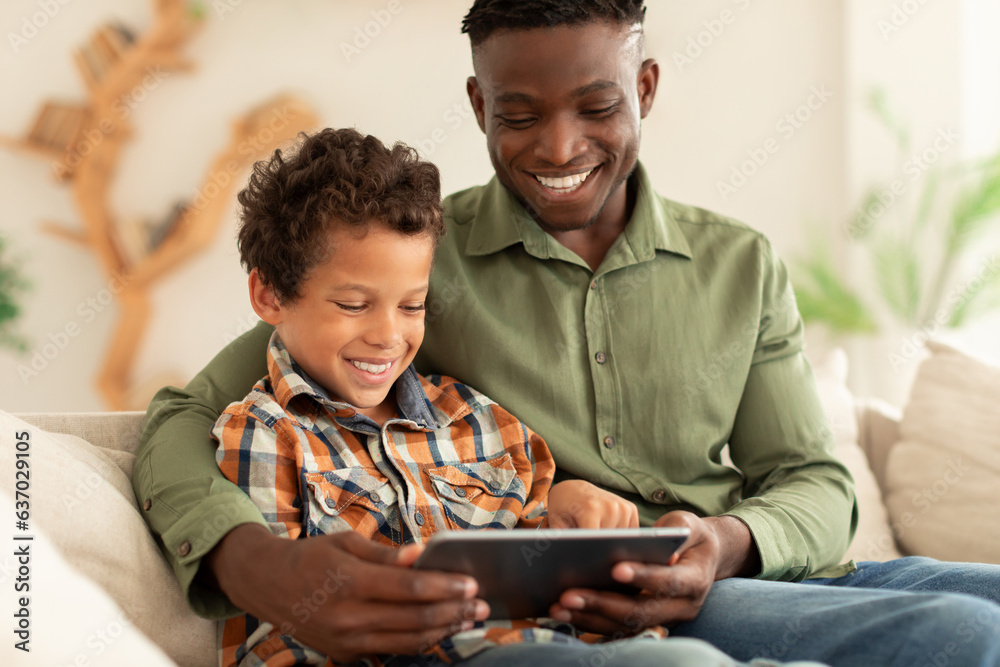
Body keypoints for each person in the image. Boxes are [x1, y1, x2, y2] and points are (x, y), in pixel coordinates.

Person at [134, 1, 1000, 665]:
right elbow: (185, 413)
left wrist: (725, 541)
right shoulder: (413, 261)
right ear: (478, 105)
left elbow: (812, 480)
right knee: (965, 637)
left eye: (596, 106)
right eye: (519, 114)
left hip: (754, 571)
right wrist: (250, 563)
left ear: (646, 89)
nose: (558, 147)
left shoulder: (740, 263)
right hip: (619, 613)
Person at [210, 127, 813, 667]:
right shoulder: (265, 434)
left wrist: (572, 512)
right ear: (269, 298)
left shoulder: (479, 420)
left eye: (413, 305)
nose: (388, 335)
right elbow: (270, 639)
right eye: (352, 304)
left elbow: (542, 555)